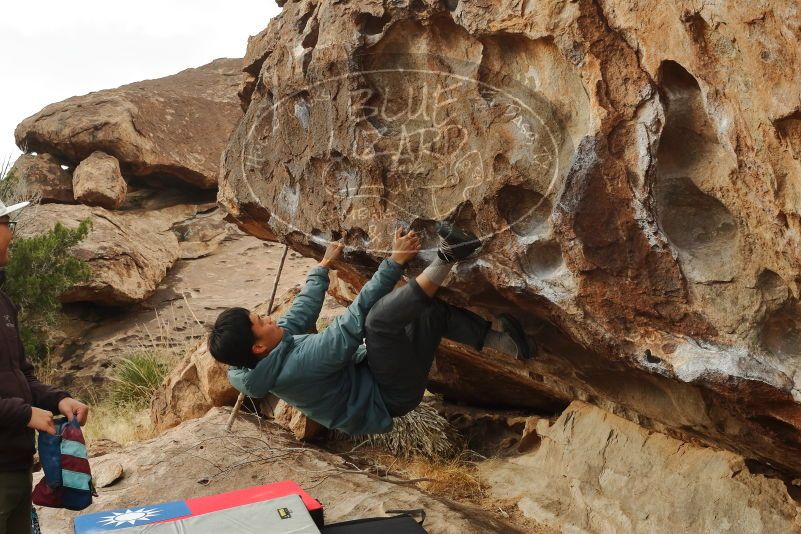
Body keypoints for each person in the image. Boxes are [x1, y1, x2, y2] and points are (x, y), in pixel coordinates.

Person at [208, 222, 532, 435]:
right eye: (260, 322)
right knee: (378, 322)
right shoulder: (298, 364)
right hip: (389, 395)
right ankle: (450, 255)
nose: (268, 319)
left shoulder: (266, 356)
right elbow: (355, 319)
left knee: (423, 309)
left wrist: (322, 267)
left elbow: (299, 312)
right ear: (258, 348)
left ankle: (509, 345)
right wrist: (394, 263)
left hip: (376, 378)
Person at [0, 200, 89, 534]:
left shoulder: (3, 302)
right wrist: (25, 414)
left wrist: (58, 399)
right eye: (7, 223)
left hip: (15, 468)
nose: (11, 232)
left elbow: (21, 372)